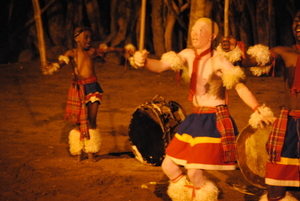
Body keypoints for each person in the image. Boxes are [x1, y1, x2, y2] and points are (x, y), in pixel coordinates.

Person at [131, 18, 275, 201]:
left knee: (193, 172)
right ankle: (186, 194)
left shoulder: (220, 60)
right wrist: (144, 61)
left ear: (212, 36)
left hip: (213, 120)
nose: (195, 33)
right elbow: (159, 66)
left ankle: (203, 196)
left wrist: (257, 108)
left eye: (201, 30)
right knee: (168, 165)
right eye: (193, 29)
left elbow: (240, 87)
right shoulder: (187, 54)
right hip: (194, 120)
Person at [219, 10, 300, 201]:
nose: (299, 26)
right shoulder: (285, 52)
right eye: (297, 22)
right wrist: (233, 49)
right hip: (289, 124)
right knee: (275, 186)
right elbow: (249, 61)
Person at [43, 26, 135, 162]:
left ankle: (91, 151)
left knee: (92, 120)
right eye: (86, 36)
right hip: (78, 89)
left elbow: (109, 49)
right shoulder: (71, 53)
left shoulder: (91, 52)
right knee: (78, 123)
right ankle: (79, 151)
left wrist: (124, 50)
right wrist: (53, 66)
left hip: (93, 88)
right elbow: (61, 63)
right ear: (76, 38)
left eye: (90, 37)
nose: (89, 40)